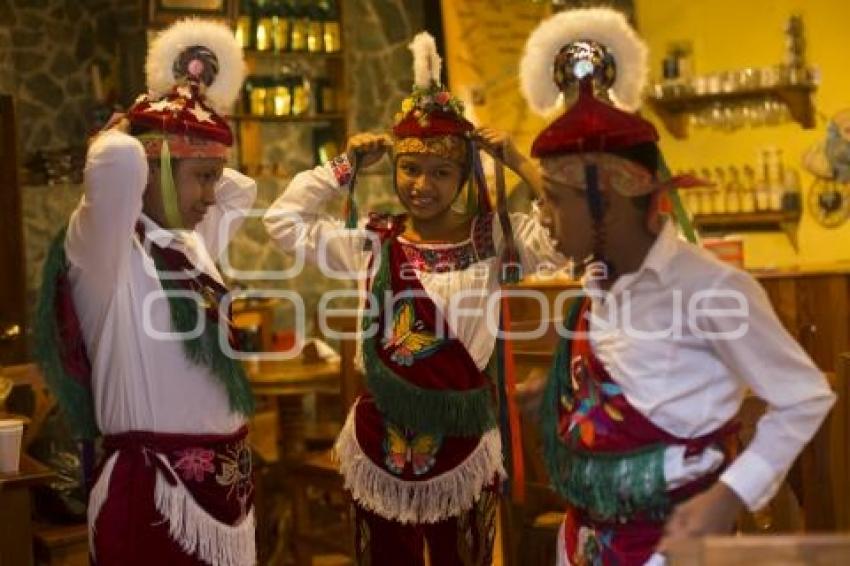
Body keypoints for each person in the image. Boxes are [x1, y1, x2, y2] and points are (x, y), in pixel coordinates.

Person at [515, 8, 836, 565]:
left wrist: (727, 498)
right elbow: (630, 384)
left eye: (554, 200)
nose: (542, 216)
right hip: (587, 538)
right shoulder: (596, 285)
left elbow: (804, 397)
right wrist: (563, 395)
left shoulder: (711, 287)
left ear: (607, 200)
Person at [264, 32, 563, 566]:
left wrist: (517, 160)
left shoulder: (492, 240)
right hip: (380, 443)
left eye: (441, 171)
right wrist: (343, 167)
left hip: (463, 442)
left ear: (465, 176)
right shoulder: (373, 242)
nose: (422, 184)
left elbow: (567, 229)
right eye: (410, 168)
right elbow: (283, 222)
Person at [35, 19, 257, 566]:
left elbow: (240, 191)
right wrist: (131, 129)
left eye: (213, 176)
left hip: (225, 492)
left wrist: (191, 108)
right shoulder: (105, 253)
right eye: (202, 176)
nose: (213, 193)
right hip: (150, 493)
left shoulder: (190, 244)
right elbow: (116, 165)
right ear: (149, 169)